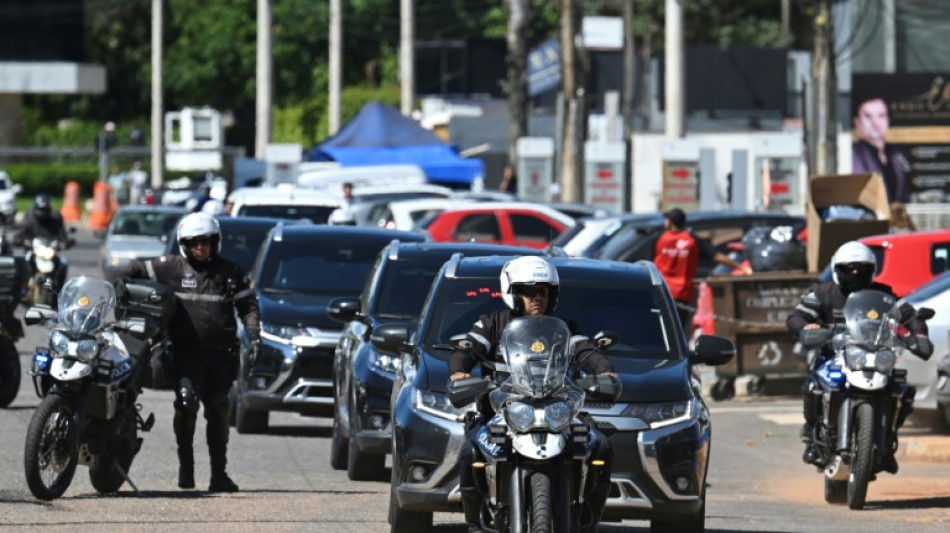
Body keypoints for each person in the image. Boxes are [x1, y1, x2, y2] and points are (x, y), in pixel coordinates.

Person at [448, 256, 617, 532]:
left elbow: (584, 349)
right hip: (503, 412)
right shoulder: (491, 324)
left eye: (544, 291)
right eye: (529, 291)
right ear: (512, 292)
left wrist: (605, 370)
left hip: (556, 410)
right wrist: (459, 371)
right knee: (470, 452)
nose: (537, 297)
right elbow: (466, 349)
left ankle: (588, 519)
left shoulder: (563, 329)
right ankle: (475, 524)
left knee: (602, 446)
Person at [119, 212, 261, 493]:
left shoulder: (231, 273)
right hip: (185, 354)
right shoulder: (170, 267)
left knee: (219, 412)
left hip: (221, 356)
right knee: (186, 405)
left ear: (216, 242)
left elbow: (249, 307)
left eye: (207, 242)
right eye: (195, 242)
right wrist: (120, 282)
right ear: (185, 244)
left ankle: (219, 474)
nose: (201, 247)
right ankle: (186, 467)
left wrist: (254, 336)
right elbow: (132, 269)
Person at [787, 240, 929, 473]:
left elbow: (909, 314)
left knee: (903, 389)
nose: (855, 275)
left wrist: (919, 334)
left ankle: (887, 442)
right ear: (836, 270)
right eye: (849, 270)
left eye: (861, 270)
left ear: (871, 271)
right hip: (833, 355)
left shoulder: (883, 294)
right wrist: (805, 328)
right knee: (812, 386)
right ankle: (812, 438)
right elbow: (797, 316)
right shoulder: (821, 293)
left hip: (874, 354)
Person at [653, 208, 752, 330]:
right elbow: (717, 256)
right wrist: (740, 266)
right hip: (681, 293)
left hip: (661, 291)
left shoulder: (661, 238)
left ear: (671, 222)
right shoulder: (691, 240)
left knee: (660, 329)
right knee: (676, 330)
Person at [852, 96, 912, 204]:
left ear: (888, 121)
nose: (875, 123)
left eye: (881, 116)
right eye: (868, 117)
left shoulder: (897, 157)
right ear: (857, 122)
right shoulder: (852, 157)